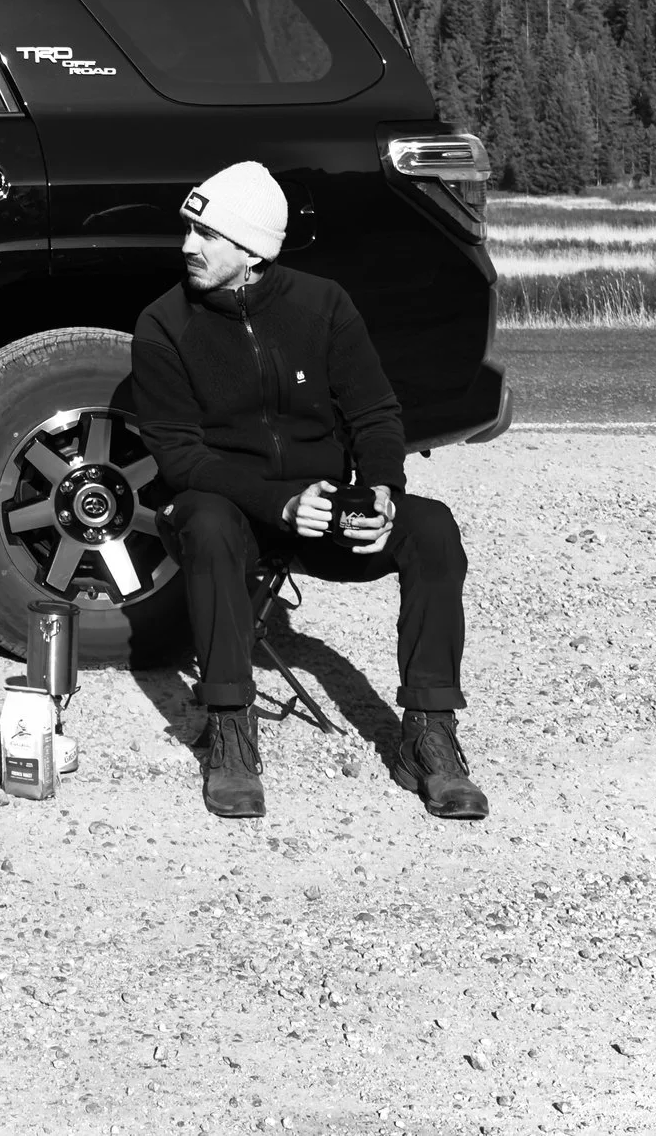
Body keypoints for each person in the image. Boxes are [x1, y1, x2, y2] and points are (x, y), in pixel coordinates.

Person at [128, 159, 487, 824]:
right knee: (207, 522)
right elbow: (179, 455)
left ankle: (429, 734)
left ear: (252, 250)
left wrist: (380, 492)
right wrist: (278, 503)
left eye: (205, 234)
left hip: (321, 508)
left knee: (432, 528)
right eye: (188, 229)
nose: (186, 246)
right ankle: (230, 732)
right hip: (225, 509)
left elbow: (375, 415)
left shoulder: (323, 307)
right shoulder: (164, 324)